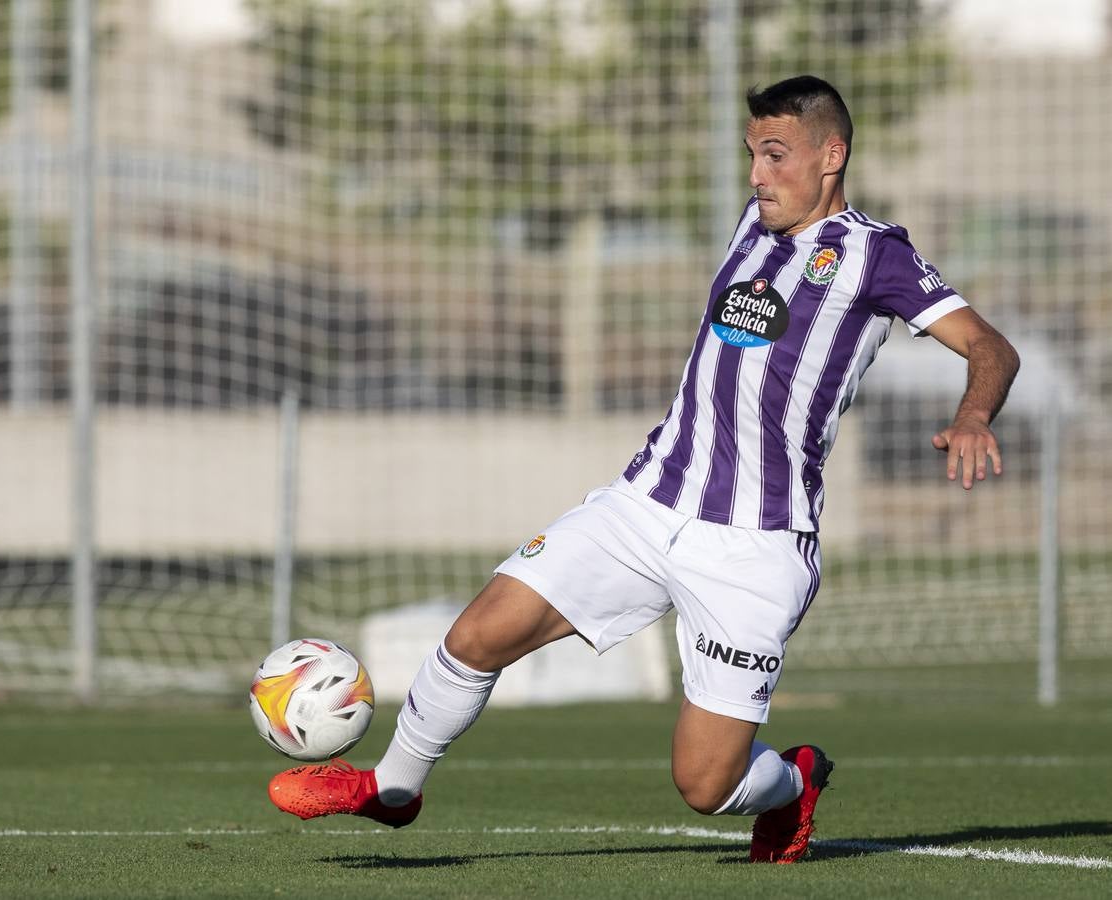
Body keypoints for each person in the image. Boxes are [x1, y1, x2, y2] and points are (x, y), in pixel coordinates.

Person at [265, 75, 1020, 864]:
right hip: (647, 501)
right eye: (750, 154)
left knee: (705, 785)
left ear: (831, 157)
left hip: (754, 546)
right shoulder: (752, 225)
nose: (756, 174)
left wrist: (971, 415)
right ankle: (394, 791)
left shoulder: (874, 256)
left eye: (774, 154)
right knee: (479, 632)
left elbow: (991, 347)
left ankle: (793, 784)